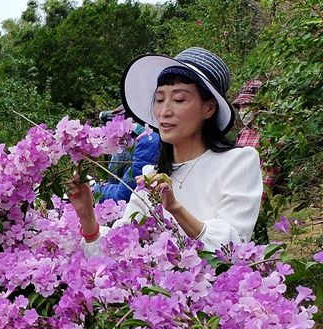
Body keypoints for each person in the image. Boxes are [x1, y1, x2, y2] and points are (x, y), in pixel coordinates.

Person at [70, 47, 263, 255]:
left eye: (179, 100)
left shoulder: (239, 162)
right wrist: (87, 216)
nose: (164, 111)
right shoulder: (152, 177)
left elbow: (230, 247)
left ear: (209, 108)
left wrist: (175, 209)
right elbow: (118, 252)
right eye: (160, 100)